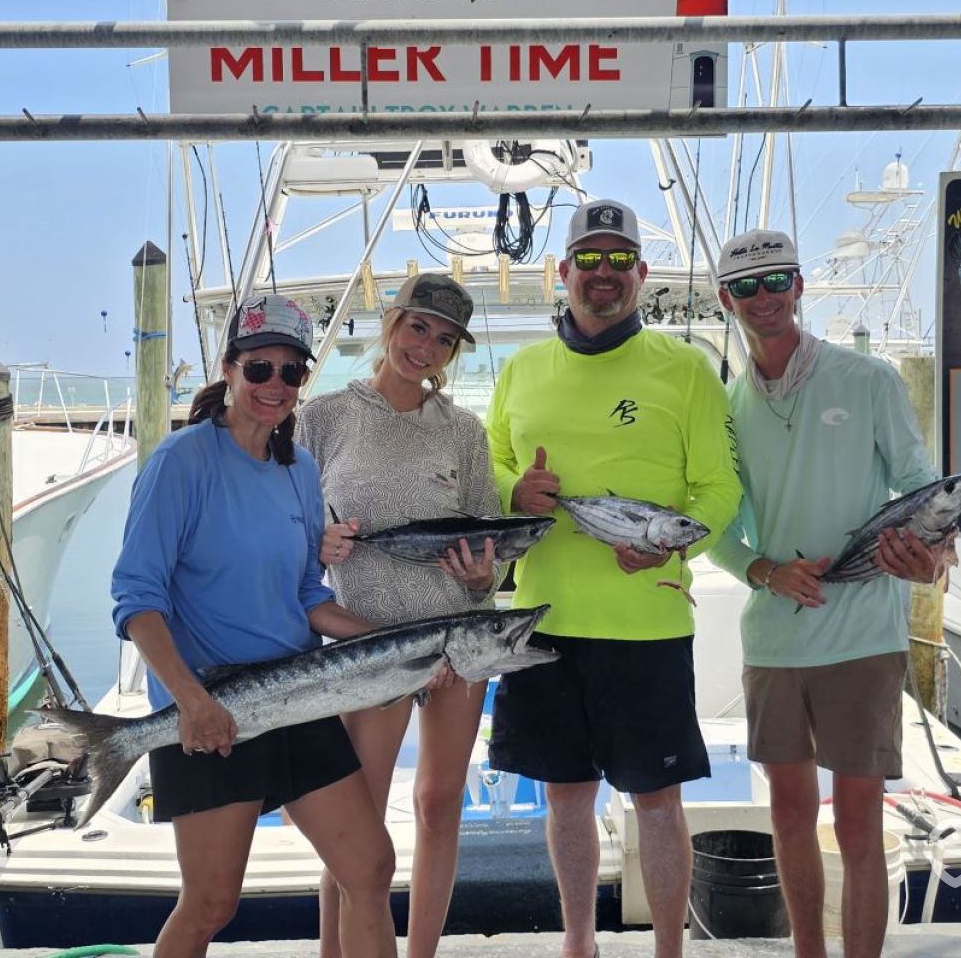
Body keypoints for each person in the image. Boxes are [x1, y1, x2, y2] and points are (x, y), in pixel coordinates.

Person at [483, 198, 743, 958]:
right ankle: (579, 943)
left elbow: (719, 488)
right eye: (589, 260)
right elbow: (491, 464)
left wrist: (675, 551)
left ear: (642, 272)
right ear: (562, 272)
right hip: (543, 619)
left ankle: (668, 950)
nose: (604, 273)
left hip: (647, 624)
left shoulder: (686, 369)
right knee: (564, 798)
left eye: (619, 259)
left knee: (657, 803)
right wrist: (513, 493)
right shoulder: (523, 368)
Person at [111, 293, 398, 958]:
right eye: (259, 368)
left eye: (291, 372)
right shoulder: (181, 461)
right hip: (212, 708)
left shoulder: (299, 468)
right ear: (228, 369)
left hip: (296, 695)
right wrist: (192, 702)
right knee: (211, 903)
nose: (275, 384)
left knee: (370, 869)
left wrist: (388, 645)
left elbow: (306, 594)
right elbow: (136, 599)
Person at [707, 229, 955, 958]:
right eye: (745, 286)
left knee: (857, 822)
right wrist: (765, 571)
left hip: (864, 637)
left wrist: (934, 559)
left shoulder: (869, 379)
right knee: (788, 817)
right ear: (725, 299)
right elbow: (717, 529)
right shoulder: (726, 407)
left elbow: (924, 491)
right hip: (776, 638)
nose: (763, 297)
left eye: (775, 280)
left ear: (799, 284)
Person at [297, 273, 501, 958]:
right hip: (368, 645)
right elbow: (290, 530)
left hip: (458, 641)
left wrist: (484, 577)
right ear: (392, 321)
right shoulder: (323, 417)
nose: (426, 348)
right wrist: (317, 544)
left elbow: (491, 546)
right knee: (353, 824)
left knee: (440, 806)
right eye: (419, 328)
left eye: (444, 340)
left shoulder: (464, 431)